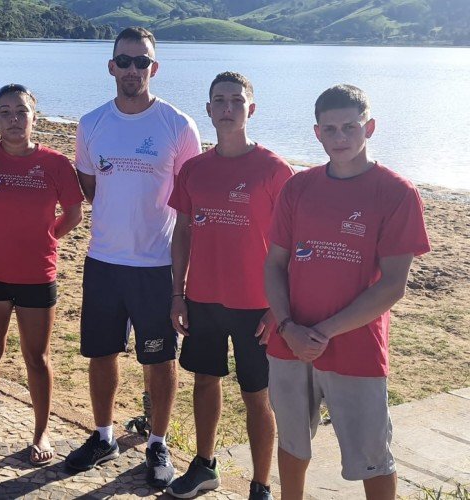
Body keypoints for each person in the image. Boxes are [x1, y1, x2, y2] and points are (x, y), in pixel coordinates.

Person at [263, 84, 430, 500]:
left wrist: (323, 333)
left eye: (350, 128)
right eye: (330, 129)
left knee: (373, 455)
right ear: (317, 133)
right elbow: (274, 264)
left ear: (369, 127)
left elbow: (393, 285)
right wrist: (288, 327)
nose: (340, 138)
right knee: (292, 442)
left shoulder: (396, 192)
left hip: (356, 348)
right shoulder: (298, 187)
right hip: (289, 343)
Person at [65, 27, 202, 489]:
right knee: (102, 353)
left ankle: (157, 441)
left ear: (154, 68)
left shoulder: (178, 126)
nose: (132, 69)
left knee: (159, 360)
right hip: (103, 260)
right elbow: (89, 187)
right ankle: (103, 435)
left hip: (156, 265)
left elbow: (189, 199)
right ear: (111, 66)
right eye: (124, 61)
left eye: (141, 62)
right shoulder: (92, 123)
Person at [166, 72, 294, 500]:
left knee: (256, 395)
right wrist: (178, 294)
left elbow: (293, 244)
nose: (227, 108)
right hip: (202, 298)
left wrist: (279, 308)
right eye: (219, 100)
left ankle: (261, 484)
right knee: (205, 380)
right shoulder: (194, 169)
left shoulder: (275, 170)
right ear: (207, 110)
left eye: (236, 101)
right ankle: (204, 465)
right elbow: (181, 232)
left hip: (256, 306)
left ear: (250, 109)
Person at [0, 84, 84, 465]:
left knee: (37, 357)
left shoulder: (56, 164)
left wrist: (46, 238)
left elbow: (73, 214)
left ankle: (40, 430)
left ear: (34, 118)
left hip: (38, 276)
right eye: (5, 112)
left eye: (21, 112)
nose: (13, 119)